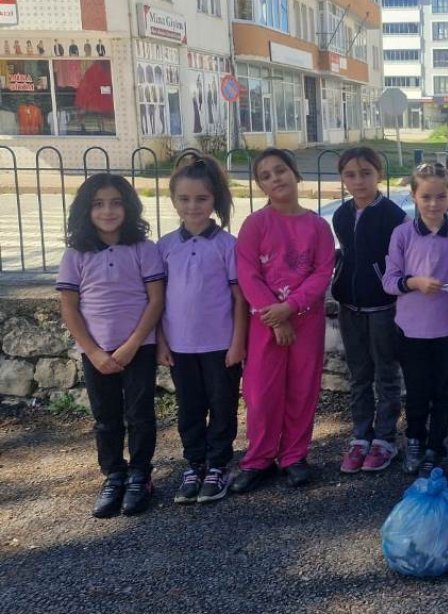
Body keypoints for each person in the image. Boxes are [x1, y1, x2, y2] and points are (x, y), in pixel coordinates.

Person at [56, 174, 165, 518]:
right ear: (85, 210)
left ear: (129, 206)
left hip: (138, 347)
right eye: (99, 204)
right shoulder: (76, 255)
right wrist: (94, 352)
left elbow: (156, 300)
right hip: (97, 352)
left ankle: (140, 476)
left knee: (140, 415)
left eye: (116, 202)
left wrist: (133, 344)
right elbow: (69, 308)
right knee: (106, 418)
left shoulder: (143, 250)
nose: (108, 211)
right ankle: (114, 475)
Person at [231, 149, 335, 493]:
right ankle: (258, 458)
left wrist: (291, 307)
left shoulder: (318, 226)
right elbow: (247, 273)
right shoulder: (255, 224)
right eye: (266, 175)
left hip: (306, 320)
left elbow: (322, 273)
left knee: (302, 389)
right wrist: (275, 317)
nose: (276, 178)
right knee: (261, 392)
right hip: (265, 322)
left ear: (295, 173)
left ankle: (294, 456)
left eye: (281, 170)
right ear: (261, 186)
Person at [157, 153, 247, 505]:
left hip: (220, 346)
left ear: (215, 201)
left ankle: (219, 465)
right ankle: (194, 463)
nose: (192, 206)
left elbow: (240, 300)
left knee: (222, 406)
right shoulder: (164, 247)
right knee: (189, 407)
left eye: (201, 199)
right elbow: (157, 299)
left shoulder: (227, 245)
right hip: (180, 346)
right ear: (174, 201)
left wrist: (238, 342)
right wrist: (161, 341)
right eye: (184, 199)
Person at [381, 163, 448, 477]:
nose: (434, 204)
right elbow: (389, 281)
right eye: (426, 197)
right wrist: (414, 282)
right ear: (414, 197)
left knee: (445, 393)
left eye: (441, 196)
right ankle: (415, 440)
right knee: (418, 393)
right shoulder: (402, 234)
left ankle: (437, 446)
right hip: (411, 331)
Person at [331, 147, 407, 475]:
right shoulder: (341, 215)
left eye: (366, 173)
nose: (358, 180)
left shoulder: (393, 216)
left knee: (386, 374)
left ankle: (386, 439)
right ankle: (361, 436)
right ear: (342, 178)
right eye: (350, 174)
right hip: (350, 305)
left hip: (383, 306)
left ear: (379, 175)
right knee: (358, 374)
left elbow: (400, 261)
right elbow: (346, 255)